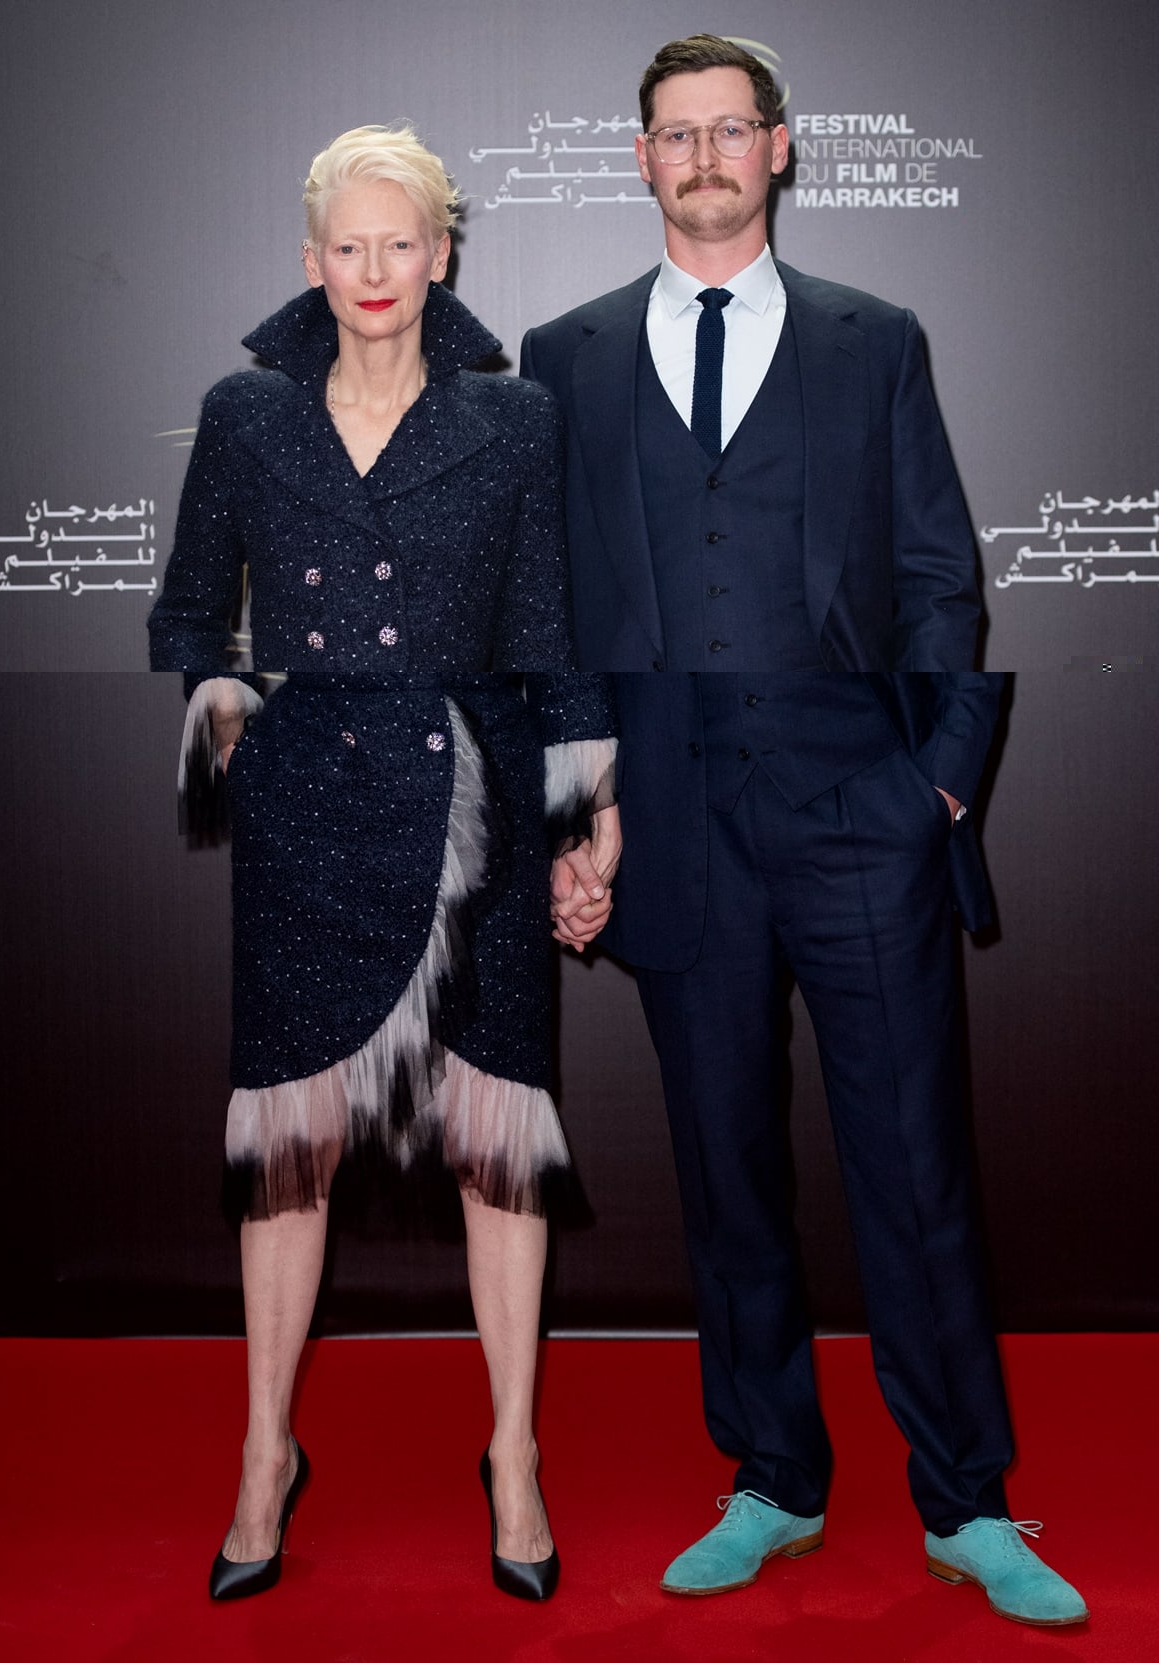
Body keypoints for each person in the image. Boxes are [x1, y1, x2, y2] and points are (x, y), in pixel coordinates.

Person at [536, 36, 1086, 1630]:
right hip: (677, 826)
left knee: (914, 1166)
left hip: (861, 811)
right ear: (639, 159)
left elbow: (939, 573)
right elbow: (557, 614)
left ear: (779, 150)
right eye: (674, 133)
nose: (703, 154)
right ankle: (773, 1475)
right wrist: (588, 814)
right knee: (727, 1173)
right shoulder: (561, 359)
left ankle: (968, 1503)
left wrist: (938, 789)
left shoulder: (876, 343)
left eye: (730, 129)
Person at [149, 125, 620, 1603]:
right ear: (310, 260)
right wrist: (228, 715)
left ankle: (515, 1452)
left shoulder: (519, 420)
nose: (372, 271)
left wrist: (583, 810)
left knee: (500, 1145)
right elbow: (184, 616)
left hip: (469, 808)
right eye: (345, 246)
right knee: (287, 1155)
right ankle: (264, 1453)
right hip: (305, 818)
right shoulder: (243, 414)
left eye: (397, 242)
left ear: (440, 255)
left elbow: (549, 636)